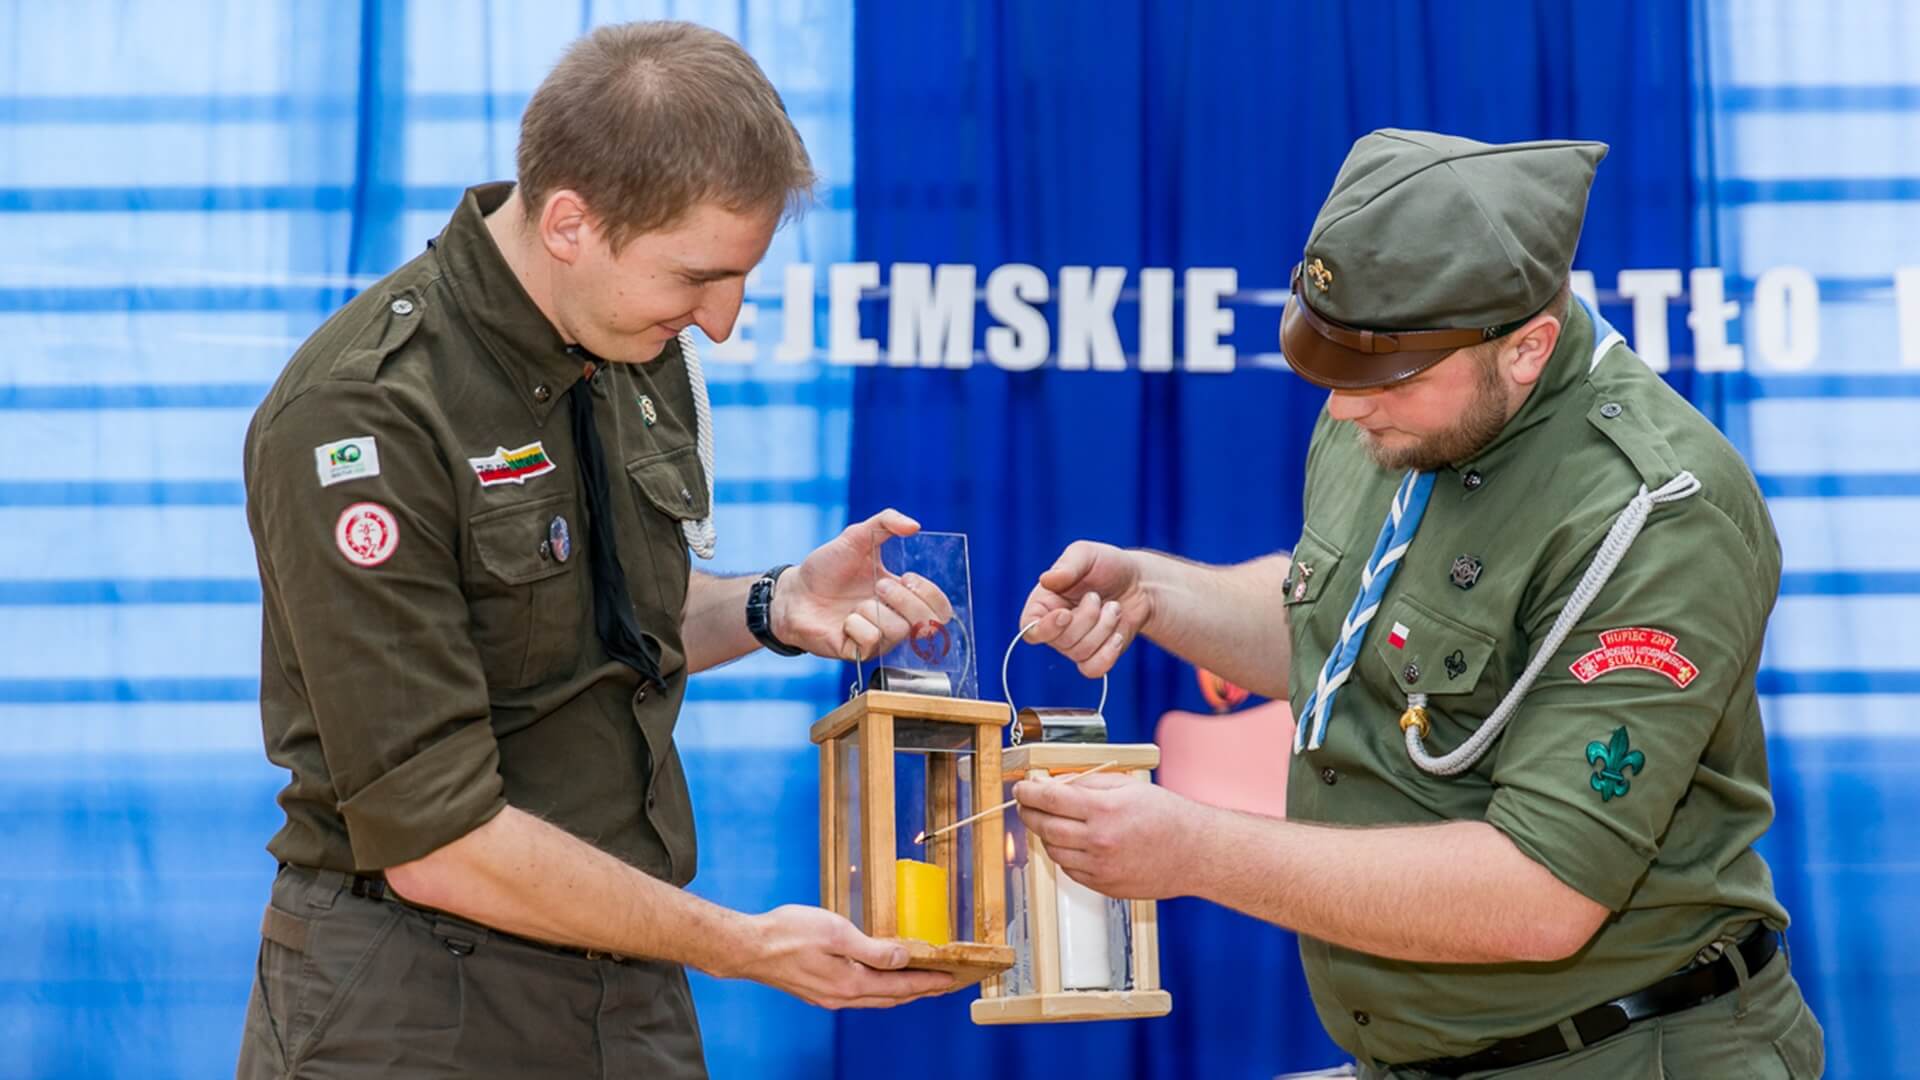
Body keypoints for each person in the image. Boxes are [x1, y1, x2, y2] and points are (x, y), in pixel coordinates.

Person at [1013, 130, 1824, 1078]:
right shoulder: (1392, 405)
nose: (1347, 410)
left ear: (1527, 349)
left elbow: (1540, 893)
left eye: (1386, 379)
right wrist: (1154, 592)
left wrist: (1194, 852)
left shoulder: (1650, 516)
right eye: (1332, 370)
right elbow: (1345, 635)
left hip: (1618, 1051)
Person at [236, 21, 956, 1079]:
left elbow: (604, 624)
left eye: (741, 278)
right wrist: (746, 946)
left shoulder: (624, 340)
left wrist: (774, 603)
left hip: (632, 982)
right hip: (413, 1000)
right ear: (570, 222)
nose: (721, 321)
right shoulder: (368, 414)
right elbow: (438, 840)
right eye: (698, 277)